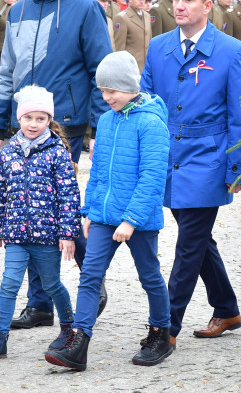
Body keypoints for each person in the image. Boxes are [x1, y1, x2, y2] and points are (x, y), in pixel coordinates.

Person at [0, 0, 113, 331]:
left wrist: (98, 128)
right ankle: (39, 304)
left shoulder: (86, 8)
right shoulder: (18, 10)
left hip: (67, 127)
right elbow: (7, 72)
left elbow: (101, 72)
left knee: (57, 207)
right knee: (29, 211)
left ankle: (91, 276)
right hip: (22, 130)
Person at [139, 0, 241, 348]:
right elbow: (146, 106)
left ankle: (166, 328)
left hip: (209, 158)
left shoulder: (232, 51)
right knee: (199, 239)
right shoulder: (158, 47)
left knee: (188, 245)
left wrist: (237, 167)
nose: (180, 5)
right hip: (168, 158)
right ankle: (227, 307)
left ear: (208, 4)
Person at [45, 52, 173, 370]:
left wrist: (131, 219)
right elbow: (98, 171)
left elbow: (153, 177)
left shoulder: (152, 122)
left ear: (129, 86)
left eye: (112, 90)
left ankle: (161, 332)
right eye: (102, 90)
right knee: (90, 275)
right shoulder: (105, 119)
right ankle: (79, 342)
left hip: (138, 219)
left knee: (150, 277)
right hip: (103, 215)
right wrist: (88, 210)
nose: (106, 97)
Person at [0, 85, 80, 361]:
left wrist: (67, 233)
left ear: (49, 121)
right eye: (28, 118)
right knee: (9, 283)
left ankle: (69, 329)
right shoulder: (8, 153)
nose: (34, 124)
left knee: (52, 284)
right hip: (16, 235)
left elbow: (69, 195)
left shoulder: (57, 152)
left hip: (47, 236)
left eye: (40, 119)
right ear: (18, 119)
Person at [113, 0, 153, 72]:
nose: (142, 1)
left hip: (146, 68)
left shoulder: (147, 16)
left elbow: (149, 42)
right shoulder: (122, 18)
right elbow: (119, 48)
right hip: (131, 69)